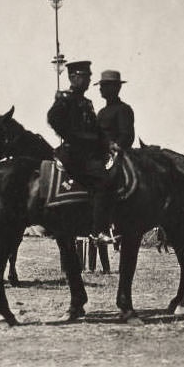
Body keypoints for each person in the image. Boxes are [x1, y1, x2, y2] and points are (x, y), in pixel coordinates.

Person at [47, 61, 112, 244]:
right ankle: (98, 230)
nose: (88, 79)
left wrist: (108, 145)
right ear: (73, 77)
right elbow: (53, 119)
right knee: (102, 181)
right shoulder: (65, 98)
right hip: (74, 154)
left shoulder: (87, 102)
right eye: (84, 76)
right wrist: (75, 137)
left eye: (89, 76)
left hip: (87, 153)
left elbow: (96, 130)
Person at [93, 69, 135, 244]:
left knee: (104, 181)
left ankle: (103, 227)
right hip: (100, 154)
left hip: (115, 155)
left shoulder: (124, 109)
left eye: (105, 86)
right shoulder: (101, 112)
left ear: (116, 88)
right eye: (101, 86)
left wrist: (114, 147)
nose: (101, 89)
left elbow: (127, 135)